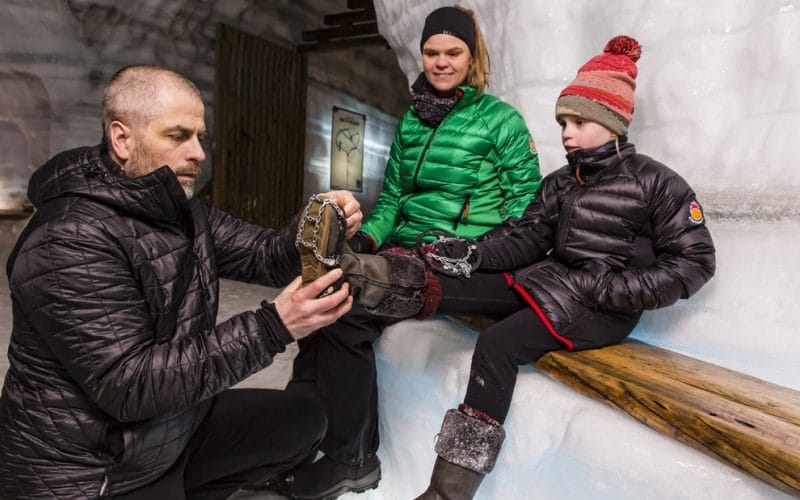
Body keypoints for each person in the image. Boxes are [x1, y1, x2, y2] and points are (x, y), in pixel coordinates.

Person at [298, 35, 716, 499]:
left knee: (497, 344)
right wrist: (475, 255)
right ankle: (358, 274)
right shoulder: (562, 182)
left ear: (612, 122)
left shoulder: (657, 183)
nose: (566, 132)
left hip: (602, 308)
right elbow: (528, 238)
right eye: (563, 121)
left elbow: (695, 262)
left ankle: (448, 491)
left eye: (578, 121)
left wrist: (610, 289)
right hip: (556, 284)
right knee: (451, 283)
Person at [0, 64, 364, 499]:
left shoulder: (179, 208)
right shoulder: (69, 238)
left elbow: (265, 256)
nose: (198, 153)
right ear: (122, 138)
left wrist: (314, 225)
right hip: (95, 470)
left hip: (165, 430)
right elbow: (130, 387)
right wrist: (274, 326)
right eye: (178, 137)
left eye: (199, 137)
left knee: (302, 421)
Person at [270, 5, 543, 499]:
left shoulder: (501, 121)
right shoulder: (413, 122)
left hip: (464, 259)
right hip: (406, 249)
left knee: (344, 308)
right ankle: (299, 436)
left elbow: (529, 212)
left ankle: (350, 459)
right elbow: (393, 199)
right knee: (324, 308)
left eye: (453, 52)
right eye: (432, 52)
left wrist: (479, 251)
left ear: (472, 55)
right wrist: (368, 239)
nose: (441, 62)